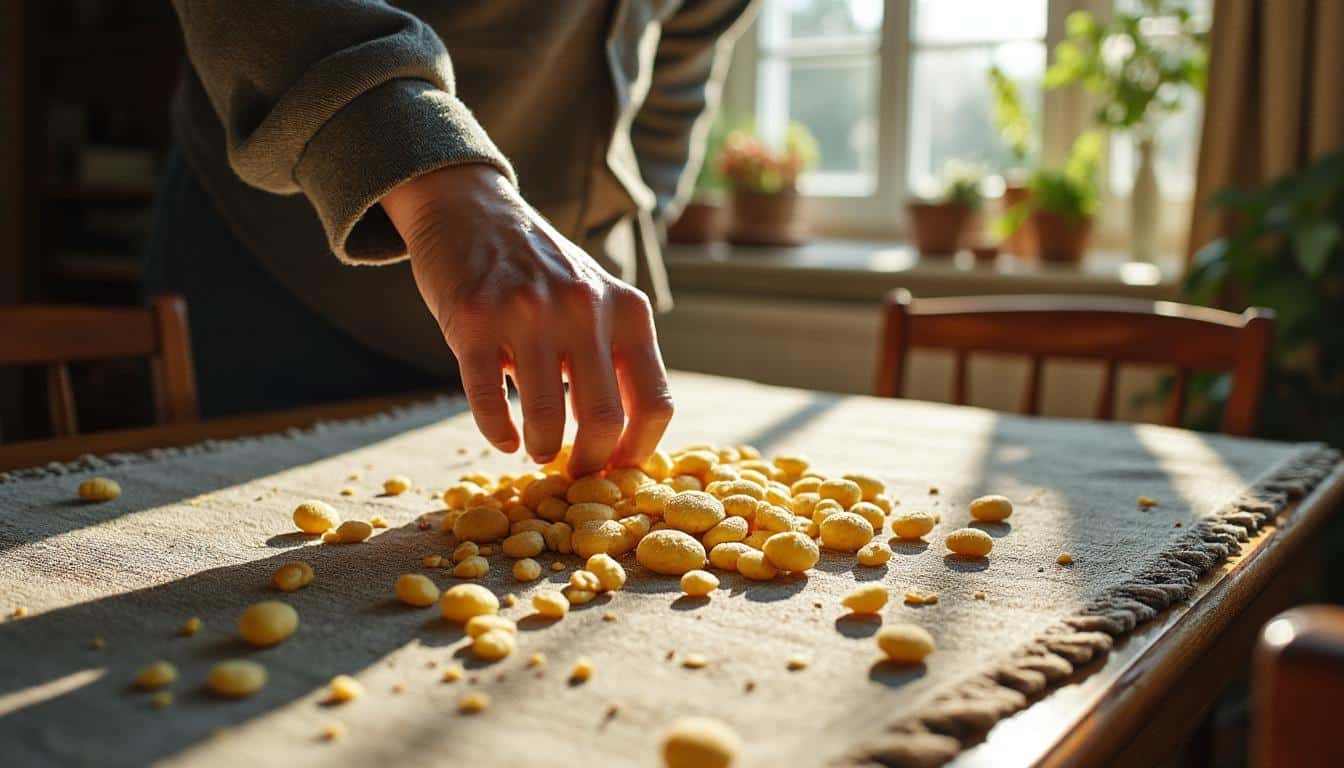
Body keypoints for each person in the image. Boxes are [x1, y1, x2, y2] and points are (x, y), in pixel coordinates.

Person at [147, 1, 756, 477]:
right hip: (293, 272)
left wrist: (621, 229)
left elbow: (678, 69)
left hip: (546, 327)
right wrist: (443, 189)